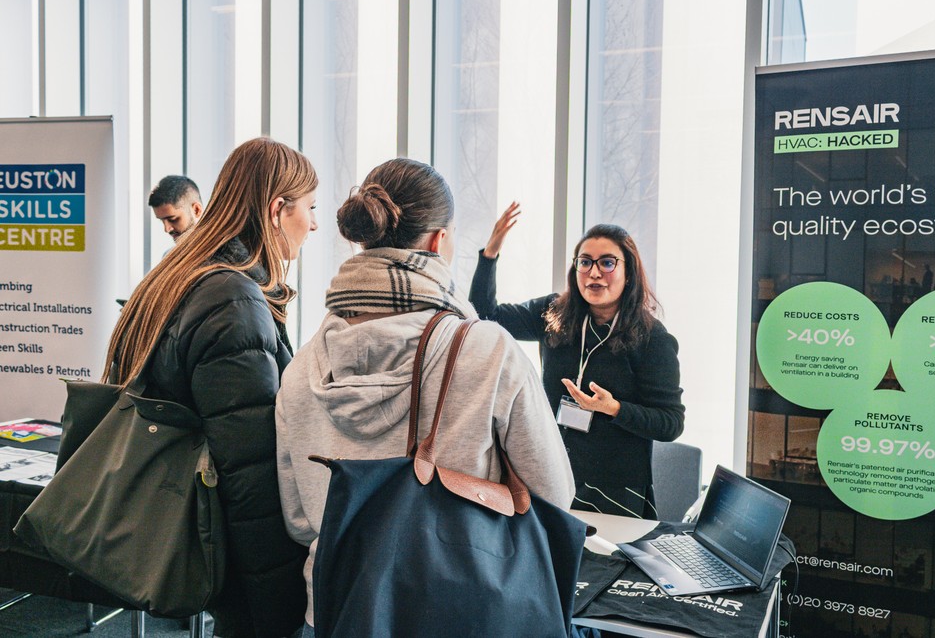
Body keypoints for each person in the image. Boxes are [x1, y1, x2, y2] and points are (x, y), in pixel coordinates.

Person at [275, 159, 575, 638]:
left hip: (339, 608)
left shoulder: (302, 367)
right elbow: (554, 495)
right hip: (460, 608)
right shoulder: (488, 350)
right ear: (439, 242)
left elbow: (297, 520)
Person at [103, 137, 318, 638]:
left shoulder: (178, 276)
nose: (312, 224)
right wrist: (278, 603)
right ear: (275, 209)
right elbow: (250, 469)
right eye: (309, 208)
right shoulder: (233, 298)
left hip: (178, 525)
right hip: (232, 554)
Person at [469, 201, 684, 519]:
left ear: (629, 272)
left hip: (614, 491)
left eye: (607, 263)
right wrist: (490, 254)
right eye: (585, 262)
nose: (594, 272)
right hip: (550, 474)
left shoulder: (652, 339)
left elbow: (671, 423)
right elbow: (485, 316)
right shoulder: (555, 313)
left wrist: (613, 409)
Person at [149, 174, 204, 242]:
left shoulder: (219, 250)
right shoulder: (169, 252)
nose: (167, 229)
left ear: (196, 210)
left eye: (172, 219)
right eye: (162, 220)